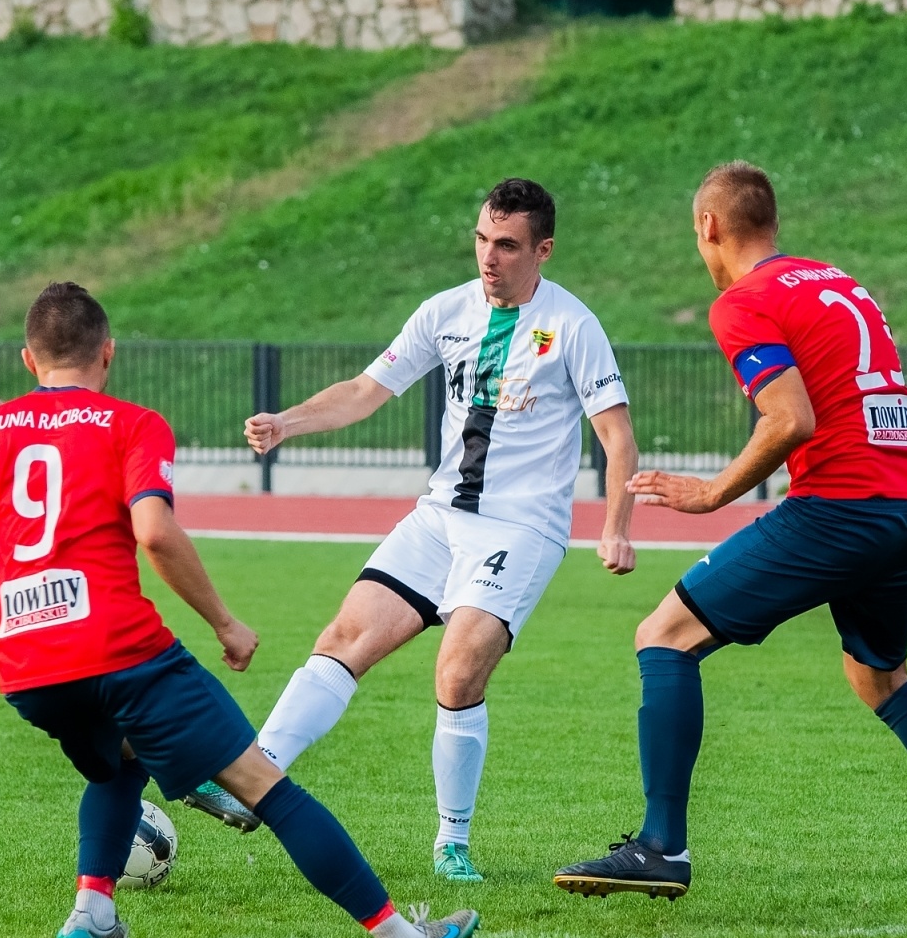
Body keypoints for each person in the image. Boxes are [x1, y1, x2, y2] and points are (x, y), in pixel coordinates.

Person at [0, 281, 480, 938]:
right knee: (268, 787)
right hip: (123, 652)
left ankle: (92, 913)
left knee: (119, 762)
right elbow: (155, 534)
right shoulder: (133, 424)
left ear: (28, 360)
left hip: (30, 672)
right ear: (108, 353)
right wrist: (224, 623)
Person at [552, 161, 907, 907]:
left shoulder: (745, 301)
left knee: (664, 635)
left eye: (696, 236)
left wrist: (710, 493)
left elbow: (791, 418)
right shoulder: (838, 281)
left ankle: (661, 846)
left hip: (839, 507)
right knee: (879, 677)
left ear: (709, 227)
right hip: (905, 506)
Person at [183, 178, 640, 883]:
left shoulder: (572, 326)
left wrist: (615, 527)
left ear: (542, 250)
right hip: (439, 518)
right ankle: (253, 782)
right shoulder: (446, 311)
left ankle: (451, 842)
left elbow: (617, 436)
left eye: (508, 245)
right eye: (483, 239)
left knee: (457, 672)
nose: (491, 256)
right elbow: (366, 391)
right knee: (341, 638)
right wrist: (287, 422)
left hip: (520, 529)